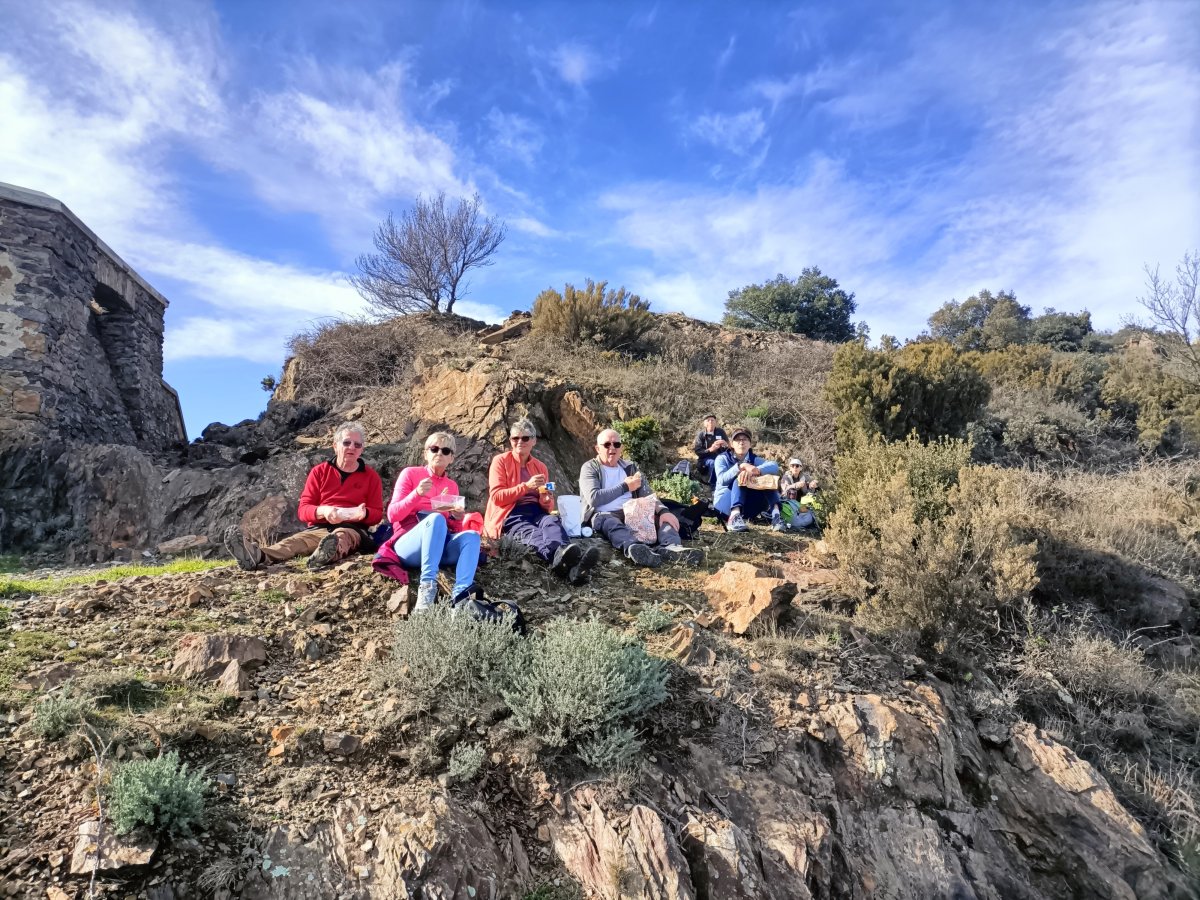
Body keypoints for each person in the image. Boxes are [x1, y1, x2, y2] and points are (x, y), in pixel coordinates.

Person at [225, 421, 383, 570]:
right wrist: (324, 511)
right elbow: (303, 510)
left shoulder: (371, 476)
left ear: (362, 449)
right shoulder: (319, 472)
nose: (352, 447)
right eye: (347, 442)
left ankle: (325, 555)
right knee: (295, 542)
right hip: (319, 527)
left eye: (357, 445)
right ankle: (257, 555)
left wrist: (363, 514)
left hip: (352, 528)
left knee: (341, 537)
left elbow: (377, 514)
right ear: (335, 446)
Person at [484, 418, 600, 584]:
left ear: (534, 441)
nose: (520, 442)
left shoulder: (540, 467)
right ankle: (572, 566)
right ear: (510, 440)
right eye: (515, 438)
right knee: (534, 534)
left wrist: (546, 498)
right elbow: (497, 497)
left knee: (552, 523)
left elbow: (547, 506)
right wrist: (526, 486)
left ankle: (568, 566)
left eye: (525, 438)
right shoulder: (501, 461)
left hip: (537, 511)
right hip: (511, 513)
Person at [385, 432, 481, 611]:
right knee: (435, 518)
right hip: (409, 543)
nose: (439, 454)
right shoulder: (410, 474)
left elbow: (454, 528)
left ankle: (461, 598)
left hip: (439, 544)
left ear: (451, 458)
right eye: (434, 449)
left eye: (445, 451)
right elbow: (392, 515)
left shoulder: (451, 486)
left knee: (472, 536)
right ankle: (427, 589)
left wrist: (457, 517)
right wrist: (417, 494)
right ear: (425, 454)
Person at [580, 429, 702, 568]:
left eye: (616, 444)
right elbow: (594, 498)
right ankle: (635, 548)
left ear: (621, 448)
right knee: (611, 523)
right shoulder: (590, 468)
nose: (612, 448)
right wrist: (625, 487)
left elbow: (648, 494)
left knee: (664, 519)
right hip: (603, 514)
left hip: (633, 512)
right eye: (607, 444)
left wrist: (664, 511)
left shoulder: (630, 467)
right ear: (597, 449)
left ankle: (672, 547)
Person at [713, 428, 783, 533]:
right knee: (741, 477)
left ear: (750, 444)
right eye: (738, 440)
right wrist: (741, 467)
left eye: (745, 439)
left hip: (747, 507)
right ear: (732, 444)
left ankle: (776, 516)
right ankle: (734, 517)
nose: (741, 442)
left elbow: (774, 466)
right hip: (724, 505)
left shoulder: (754, 459)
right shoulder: (722, 458)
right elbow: (722, 480)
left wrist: (756, 470)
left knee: (767, 478)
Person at [692, 414, 729, 486]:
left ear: (715, 422)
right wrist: (710, 449)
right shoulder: (701, 435)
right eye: (708, 420)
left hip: (720, 455)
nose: (710, 422)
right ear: (704, 423)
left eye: (712, 420)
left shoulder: (721, 432)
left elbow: (728, 446)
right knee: (713, 463)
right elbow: (698, 451)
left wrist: (725, 444)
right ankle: (714, 485)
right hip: (706, 458)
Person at [780, 459, 816, 530]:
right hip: (789, 502)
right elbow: (785, 489)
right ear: (790, 467)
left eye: (797, 466)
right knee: (792, 491)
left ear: (801, 468)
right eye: (792, 466)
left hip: (801, 503)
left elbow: (810, 490)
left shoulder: (804, 477)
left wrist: (812, 486)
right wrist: (796, 485)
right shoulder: (786, 477)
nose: (795, 468)